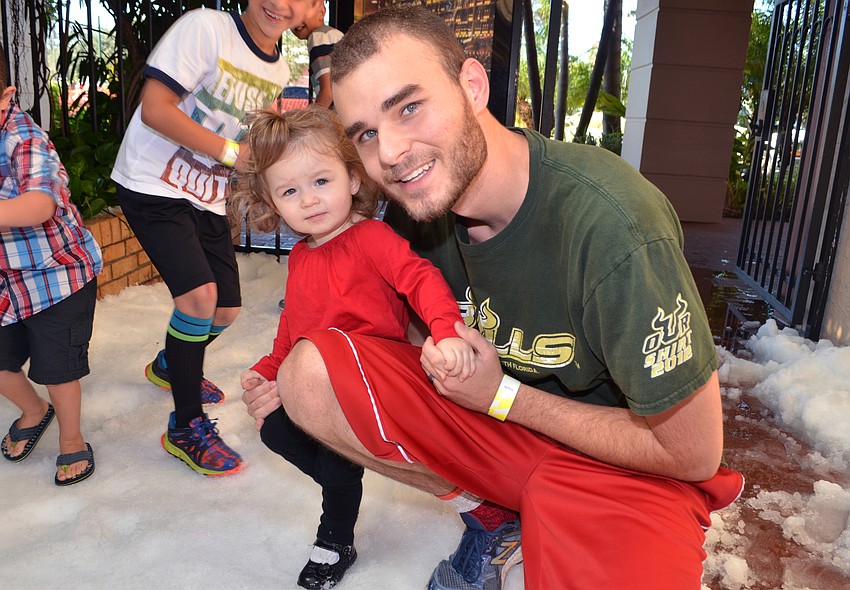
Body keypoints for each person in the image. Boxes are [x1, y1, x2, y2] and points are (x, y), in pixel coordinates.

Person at [243, 6, 745, 590]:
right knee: (312, 375)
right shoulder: (415, 213)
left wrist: (503, 397)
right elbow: (381, 347)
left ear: (473, 87)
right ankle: (497, 516)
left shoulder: (612, 226)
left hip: (624, 469)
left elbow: (691, 454)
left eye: (409, 107)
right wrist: (278, 375)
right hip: (497, 444)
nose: (393, 151)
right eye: (367, 134)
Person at [230, 105, 480, 589]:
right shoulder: (302, 257)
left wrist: (445, 329)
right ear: (273, 204)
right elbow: (293, 327)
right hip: (326, 383)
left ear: (353, 180)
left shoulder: (371, 237)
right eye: (290, 191)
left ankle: (334, 533)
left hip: (376, 378)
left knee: (336, 447)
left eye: (321, 181)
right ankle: (342, 479)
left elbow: (420, 278)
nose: (309, 200)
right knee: (272, 428)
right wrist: (269, 369)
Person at [110, 0, 314, 476]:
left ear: (311, 8)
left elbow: (254, 139)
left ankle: (171, 364)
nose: (281, 5)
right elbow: (155, 109)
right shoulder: (206, 27)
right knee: (199, 299)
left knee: (226, 308)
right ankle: (185, 426)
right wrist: (230, 152)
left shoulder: (280, 65)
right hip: (151, 182)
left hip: (205, 194)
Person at [0, 46, 102, 486]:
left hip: (57, 278)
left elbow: (41, 202)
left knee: (56, 368)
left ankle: (71, 437)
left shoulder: (24, 138)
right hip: (7, 284)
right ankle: (33, 409)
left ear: (5, 97)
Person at [291, 1, 344, 109]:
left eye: (304, 13)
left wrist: (310, 122)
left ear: (322, 12)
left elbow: (328, 92)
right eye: (291, 17)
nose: (297, 21)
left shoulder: (318, 36)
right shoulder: (334, 35)